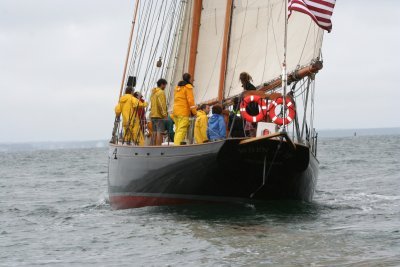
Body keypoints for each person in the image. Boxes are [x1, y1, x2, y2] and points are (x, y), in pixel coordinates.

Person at [173, 73, 197, 145]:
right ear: (189, 79)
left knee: (177, 130)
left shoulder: (177, 88)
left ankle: (175, 145)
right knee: (181, 130)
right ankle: (176, 147)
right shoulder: (188, 87)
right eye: (192, 78)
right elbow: (190, 101)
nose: (193, 80)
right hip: (183, 112)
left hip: (176, 112)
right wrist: (194, 112)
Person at [150, 78, 168, 146]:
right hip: (159, 116)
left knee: (154, 132)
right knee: (159, 133)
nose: (165, 87)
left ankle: (153, 146)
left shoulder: (153, 93)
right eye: (165, 85)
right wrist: (165, 114)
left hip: (153, 115)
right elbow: (161, 104)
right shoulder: (161, 92)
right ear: (162, 84)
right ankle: (158, 147)